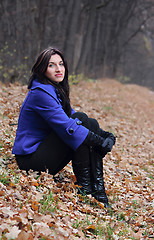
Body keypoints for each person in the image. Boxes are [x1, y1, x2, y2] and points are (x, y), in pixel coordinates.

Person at [12, 47, 116, 208]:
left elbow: (73, 117)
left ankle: (96, 188)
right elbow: (68, 124)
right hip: (31, 160)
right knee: (80, 120)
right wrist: (99, 142)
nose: (58, 69)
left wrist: (107, 136)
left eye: (61, 64)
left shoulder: (53, 90)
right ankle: (87, 188)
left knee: (90, 122)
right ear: (42, 69)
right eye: (51, 65)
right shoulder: (40, 93)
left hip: (44, 154)